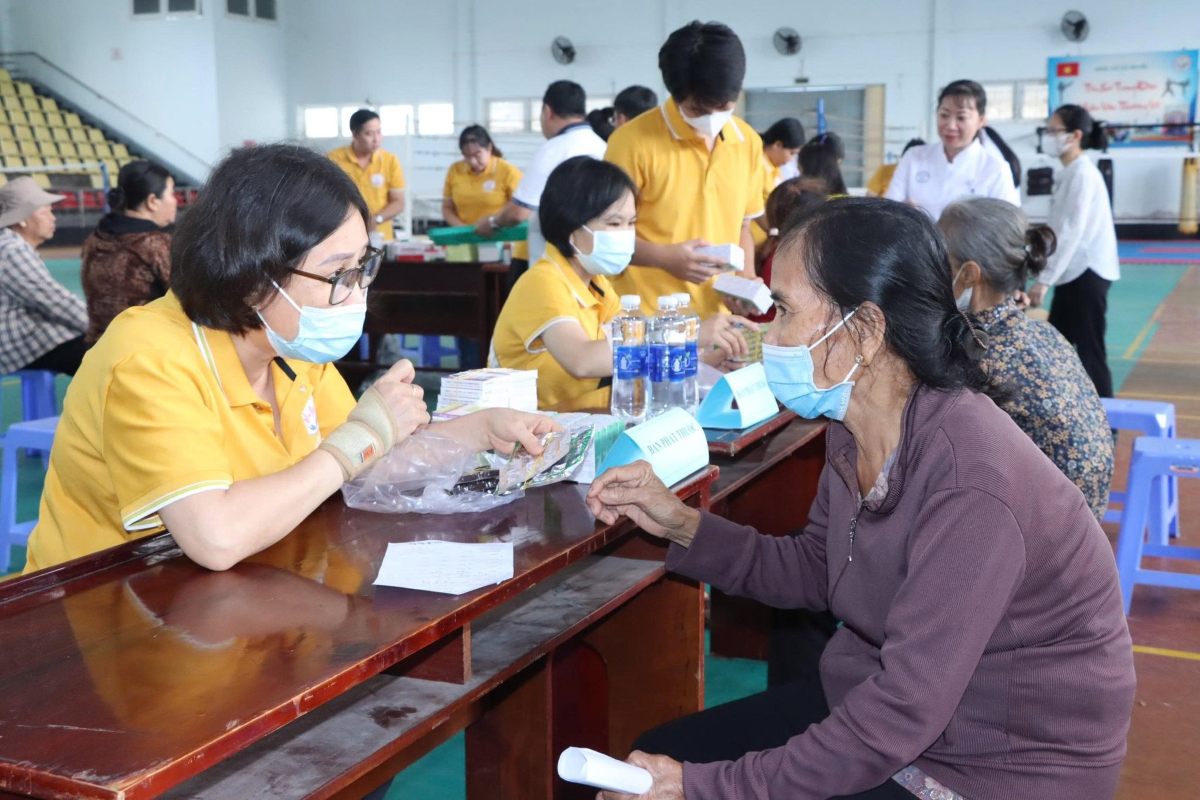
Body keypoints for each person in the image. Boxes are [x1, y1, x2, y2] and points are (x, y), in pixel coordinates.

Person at [586, 197, 1135, 800]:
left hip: (994, 766)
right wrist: (680, 524)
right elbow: (819, 569)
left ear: (864, 331)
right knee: (660, 752)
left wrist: (700, 788)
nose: (769, 334)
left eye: (784, 310)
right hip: (895, 710)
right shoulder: (857, 427)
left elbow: (899, 713)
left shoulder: (972, 482)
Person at [24, 144, 556, 574]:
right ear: (253, 276)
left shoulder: (288, 344)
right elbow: (216, 536)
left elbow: (363, 463)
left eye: (363, 266)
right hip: (100, 612)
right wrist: (360, 437)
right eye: (338, 274)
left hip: (232, 591)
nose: (358, 293)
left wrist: (480, 430)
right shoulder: (150, 357)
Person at [490, 157, 751, 412]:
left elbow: (631, 352)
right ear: (572, 229)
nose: (627, 234)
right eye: (615, 223)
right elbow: (583, 360)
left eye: (631, 223)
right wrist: (685, 335)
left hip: (584, 418)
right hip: (527, 428)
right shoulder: (542, 282)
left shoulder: (597, 285)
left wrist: (704, 362)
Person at [939, 197, 1114, 519]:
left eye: (940, 261)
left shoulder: (979, 355)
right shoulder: (1042, 332)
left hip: (1048, 529)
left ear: (969, 274)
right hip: (1085, 515)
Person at [606, 21, 765, 318]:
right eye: (697, 110)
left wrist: (744, 279)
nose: (712, 118)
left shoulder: (747, 142)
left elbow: (743, 226)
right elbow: (605, 236)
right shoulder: (631, 143)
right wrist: (664, 258)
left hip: (717, 319)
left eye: (722, 107)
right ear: (675, 94)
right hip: (648, 318)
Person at [1027, 104, 1120, 397]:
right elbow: (1057, 229)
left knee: (1090, 351)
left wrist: (1044, 280)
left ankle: (1106, 416)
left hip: (1087, 272)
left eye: (1054, 131)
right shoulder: (1069, 173)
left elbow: (1070, 231)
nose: (1049, 136)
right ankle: (1060, 409)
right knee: (1058, 347)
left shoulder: (1082, 174)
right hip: (1073, 272)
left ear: (1075, 135)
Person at [474, 80, 606, 275]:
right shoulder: (603, 147)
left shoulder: (553, 149)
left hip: (555, 267)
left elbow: (518, 213)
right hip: (595, 263)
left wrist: (492, 222)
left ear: (547, 111)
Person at [885, 80, 1019, 219]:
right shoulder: (913, 157)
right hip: (917, 234)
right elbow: (890, 211)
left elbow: (1008, 224)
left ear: (981, 121)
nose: (951, 126)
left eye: (961, 117)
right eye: (944, 115)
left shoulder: (995, 168)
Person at [0, 176, 88, 377]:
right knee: (105, 352)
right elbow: (53, 300)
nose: (53, 218)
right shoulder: (12, 249)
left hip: (20, 337)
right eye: (45, 211)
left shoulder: (10, 245)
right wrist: (103, 326)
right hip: (14, 344)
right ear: (22, 219)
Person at [81, 160, 176, 344]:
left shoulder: (94, 240)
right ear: (152, 201)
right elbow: (190, 300)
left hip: (98, 348)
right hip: (145, 349)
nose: (175, 201)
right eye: (171, 193)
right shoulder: (155, 245)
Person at [328, 109, 406, 240]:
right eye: (369, 133)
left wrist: (376, 219)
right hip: (344, 234)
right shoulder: (334, 159)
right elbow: (327, 198)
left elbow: (398, 202)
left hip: (380, 236)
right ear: (355, 134)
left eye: (379, 132)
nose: (376, 139)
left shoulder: (390, 160)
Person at [752, 117, 805, 247]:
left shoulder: (773, 167)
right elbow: (752, 205)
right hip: (752, 239)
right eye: (791, 153)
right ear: (777, 145)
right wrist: (773, 232)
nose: (791, 159)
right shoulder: (758, 165)